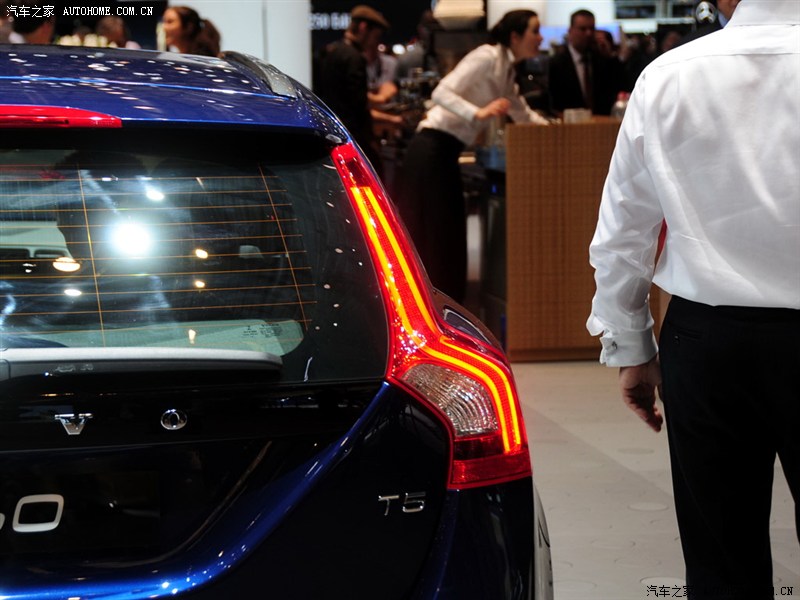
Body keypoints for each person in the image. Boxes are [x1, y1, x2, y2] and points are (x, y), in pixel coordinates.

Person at [586, 1, 799, 598]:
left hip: (708, 343)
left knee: (721, 562)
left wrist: (630, 346)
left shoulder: (668, 75)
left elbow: (625, 227)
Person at [394, 10, 549, 303]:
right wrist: (478, 113)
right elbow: (441, 93)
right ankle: (429, 307)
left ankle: (445, 306)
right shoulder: (486, 56)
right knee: (436, 235)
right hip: (430, 149)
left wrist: (555, 130)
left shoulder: (506, 69)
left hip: (444, 152)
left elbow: (521, 112)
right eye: (535, 31)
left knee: (449, 235)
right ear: (515, 36)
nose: (541, 38)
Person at [315, 5, 389, 175]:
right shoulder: (354, 58)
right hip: (353, 137)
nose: (375, 43)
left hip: (331, 132)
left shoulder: (331, 51)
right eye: (376, 37)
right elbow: (359, 106)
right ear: (363, 28)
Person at [548, 9, 623, 116]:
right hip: (569, 122)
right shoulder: (556, 63)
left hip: (601, 121)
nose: (588, 33)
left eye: (592, 29)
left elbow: (621, 87)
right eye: (583, 29)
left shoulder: (601, 59)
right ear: (570, 31)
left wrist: (610, 56)